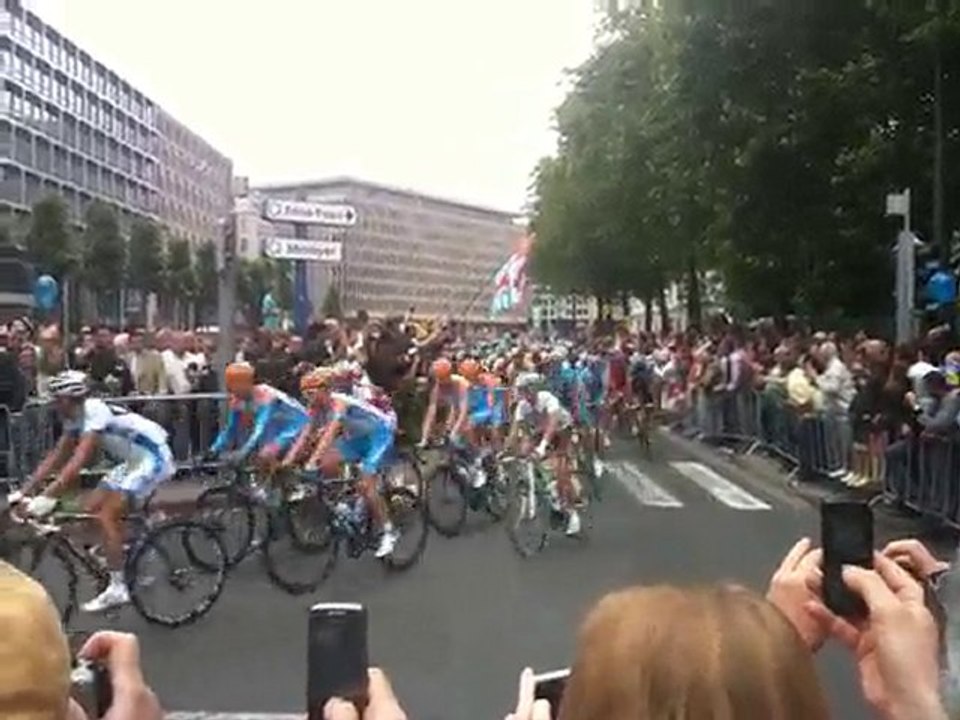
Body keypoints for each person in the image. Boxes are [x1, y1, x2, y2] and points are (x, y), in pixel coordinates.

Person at [14, 370, 176, 612]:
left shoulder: (94, 410)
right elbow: (57, 456)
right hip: (131, 462)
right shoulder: (73, 417)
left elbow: (79, 459)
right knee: (89, 509)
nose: (54, 404)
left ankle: (119, 587)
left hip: (152, 458)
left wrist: (48, 495)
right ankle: (125, 556)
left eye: (57, 398)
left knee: (107, 514)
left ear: (70, 398)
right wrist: (24, 491)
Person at [288, 367, 400, 558]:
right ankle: (344, 505)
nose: (309, 399)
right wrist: (289, 459)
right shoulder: (315, 407)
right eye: (305, 395)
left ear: (326, 390)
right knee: (327, 463)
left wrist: (311, 462)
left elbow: (331, 432)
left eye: (312, 393)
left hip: (379, 435)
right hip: (355, 438)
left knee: (367, 484)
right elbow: (305, 434)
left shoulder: (340, 402)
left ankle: (389, 531)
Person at [506, 372, 580, 536]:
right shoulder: (522, 406)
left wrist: (543, 446)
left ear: (534, 389)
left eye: (525, 390)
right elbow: (515, 431)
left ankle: (572, 512)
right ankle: (543, 485)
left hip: (561, 430)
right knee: (525, 452)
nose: (522, 394)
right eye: (521, 390)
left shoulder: (547, 398)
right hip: (539, 430)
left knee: (560, 468)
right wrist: (506, 451)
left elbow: (552, 424)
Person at [208, 362, 310, 470]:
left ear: (246, 383)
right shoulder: (237, 400)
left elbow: (260, 428)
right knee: (255, 449)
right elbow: (230, 429)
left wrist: (243, 452)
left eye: (234, 385)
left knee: (266, 452)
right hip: (278, 426)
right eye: (230, 386)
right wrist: (213, 450)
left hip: (297, 426)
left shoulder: (266, 396)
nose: (232, 390)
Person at [418, 357, 469, 446]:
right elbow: (431, 411)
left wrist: (455, 431)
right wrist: (424, 438)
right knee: (449, 417)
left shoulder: (461, 384)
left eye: (442, 378)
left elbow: (464, 411)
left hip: (472, 408)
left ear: (448, 375)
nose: (440, 382)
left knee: (458, 422)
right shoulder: (438, 386)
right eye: (438, 379)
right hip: (455, 408)